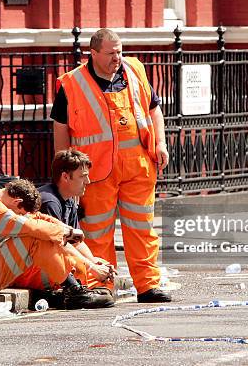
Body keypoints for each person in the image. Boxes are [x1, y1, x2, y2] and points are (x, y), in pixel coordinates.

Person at [51, 28, 171, 303]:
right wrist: (65, 168)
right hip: (93, 174)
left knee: (142, 229)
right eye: (110, 53)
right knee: (96, 232)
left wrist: (161, 143)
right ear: (92, 54)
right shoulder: (72, 84)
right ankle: (100, 286)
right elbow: (61, 128)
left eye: (119, 52)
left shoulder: (135, 71)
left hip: (138, 167)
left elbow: (154, 110)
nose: (117, 58)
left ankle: (148, 285)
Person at [0, 180, 114, 309]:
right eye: (20, 213)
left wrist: (65, 229)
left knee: (41, 233)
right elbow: (31, 227)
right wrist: (67, 233)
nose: (21, 216)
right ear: (17, 202)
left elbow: (36, 219)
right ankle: (74, 292)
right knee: (35, 237)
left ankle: (73, 288)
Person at [11, 150, 115, 294]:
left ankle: (86, 285)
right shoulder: (49, 201)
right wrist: (92, 268)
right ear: (65, 177)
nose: (88, 181)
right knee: (82, 268)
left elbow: (77, 242)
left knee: (100, 265)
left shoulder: (69, 199)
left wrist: (94, 262)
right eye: (83, 176)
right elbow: (59, 244)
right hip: (29, 268)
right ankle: (62, 290)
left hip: (50, 260)